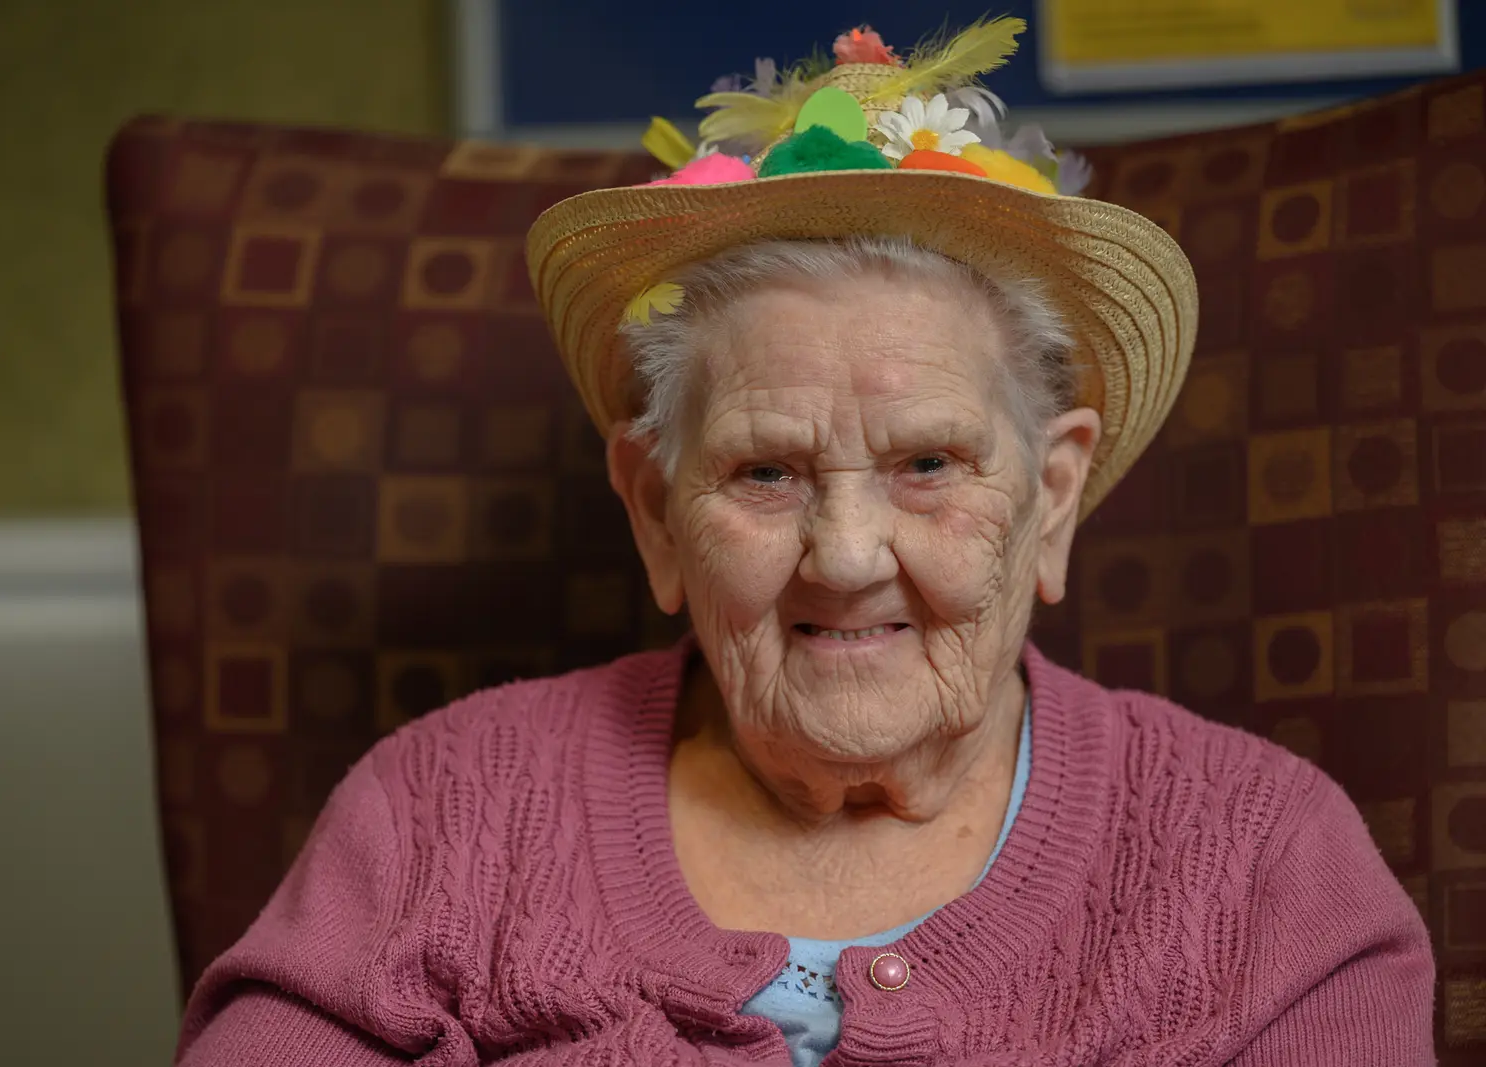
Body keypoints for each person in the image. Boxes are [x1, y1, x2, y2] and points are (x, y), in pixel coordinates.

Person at [176, 18, 1435, 1066]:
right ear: (655, 511)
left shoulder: (1266, 867)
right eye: (764, 471)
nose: (843, 554)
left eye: (927, 463)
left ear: (1052, 496)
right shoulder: (436, 813)